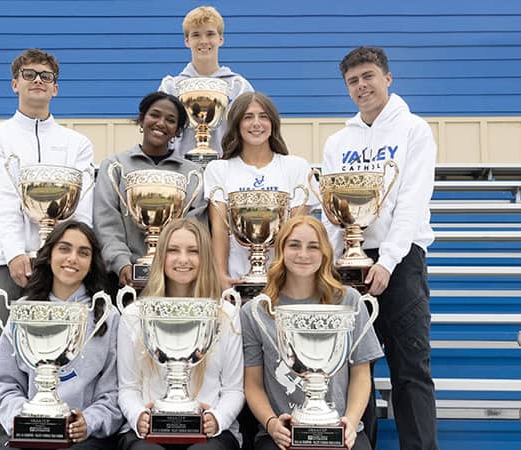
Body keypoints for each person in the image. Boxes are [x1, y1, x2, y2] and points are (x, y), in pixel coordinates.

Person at [0, 48, 95, 449]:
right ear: (15, 84)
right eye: (28, 75)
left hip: (63, 267)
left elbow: (82, 208)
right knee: (1, 367)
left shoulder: (77, 143)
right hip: (6, 263)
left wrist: (69, 260)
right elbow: (0, 199)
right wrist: (15, 253)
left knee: (65, 360)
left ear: (56, 88)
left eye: (45, 76)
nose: (37, 81)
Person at [321, 46, 438, 449]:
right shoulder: (338, 141)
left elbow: (412, 200)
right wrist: (330, 265)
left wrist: (387, 261)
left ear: (388, 78)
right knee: (354, 370)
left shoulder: (414, 130)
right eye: (353, 81)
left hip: (400, 261)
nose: (361, 86)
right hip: (349, 262)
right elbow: (331, 211)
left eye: (368, 76)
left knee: (410, 369)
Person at [240, 215, 383, 450]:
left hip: (341, 429)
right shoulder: (256, 310)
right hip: (281, 434)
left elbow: (360, 373)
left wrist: (351, 424)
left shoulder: (349, 300)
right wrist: (272, 424)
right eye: (294, 245)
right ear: (281, 250)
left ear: (325, 252)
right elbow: (253, 383)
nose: (303, 255)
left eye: (313, 247)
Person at [0, 220, 122, 450]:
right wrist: (23, 419)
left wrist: (88, 422)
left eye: (83, 253)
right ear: (48, 256)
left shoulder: (106, 316)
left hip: (86, 440)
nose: (72, 258)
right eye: (64, 249)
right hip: (31, 434)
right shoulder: (24, 310)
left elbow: (113, 393)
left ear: (91, 263)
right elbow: (4, 382)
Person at [117, 218, 244, 450]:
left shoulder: (226, 314)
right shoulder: (135, 314)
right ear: (160, 257)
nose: (183, 259)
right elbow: (128, 387)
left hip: (211, 433)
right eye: (173, 250)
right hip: (149, 431)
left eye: (193, 251)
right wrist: (139, 417)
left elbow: (234, 389)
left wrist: (217, 419)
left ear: (205, 257)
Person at [204, 92, 318, 292]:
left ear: (273, 123)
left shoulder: (296, 167)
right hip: (236, 279)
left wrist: (290, 279)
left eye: (263, 116)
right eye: (248, 117)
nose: (256, 123)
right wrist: (220, 274)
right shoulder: (218, 169)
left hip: (284, 282)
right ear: (237, 124)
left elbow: (297, 229)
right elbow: (219, 228)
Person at [94, 92, 207, 289]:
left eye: (170, 120)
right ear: (141, 119)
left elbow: (194, 225)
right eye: (154, 115)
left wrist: (176, 265)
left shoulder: (193, 174)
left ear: (178, 131)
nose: (161, 123)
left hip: (176, 280)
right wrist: (121, 264)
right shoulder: (115, 166)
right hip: (120, 280)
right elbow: (106, 223)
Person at [158, 5, 254, 157]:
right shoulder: (171, 87)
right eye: (196, 35)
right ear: (187, 41)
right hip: (181, 168)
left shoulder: (239, 87)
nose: (204, 41)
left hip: (226, 170)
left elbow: (250, 134)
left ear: (220, 39)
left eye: (210, 34)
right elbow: (161, 135)